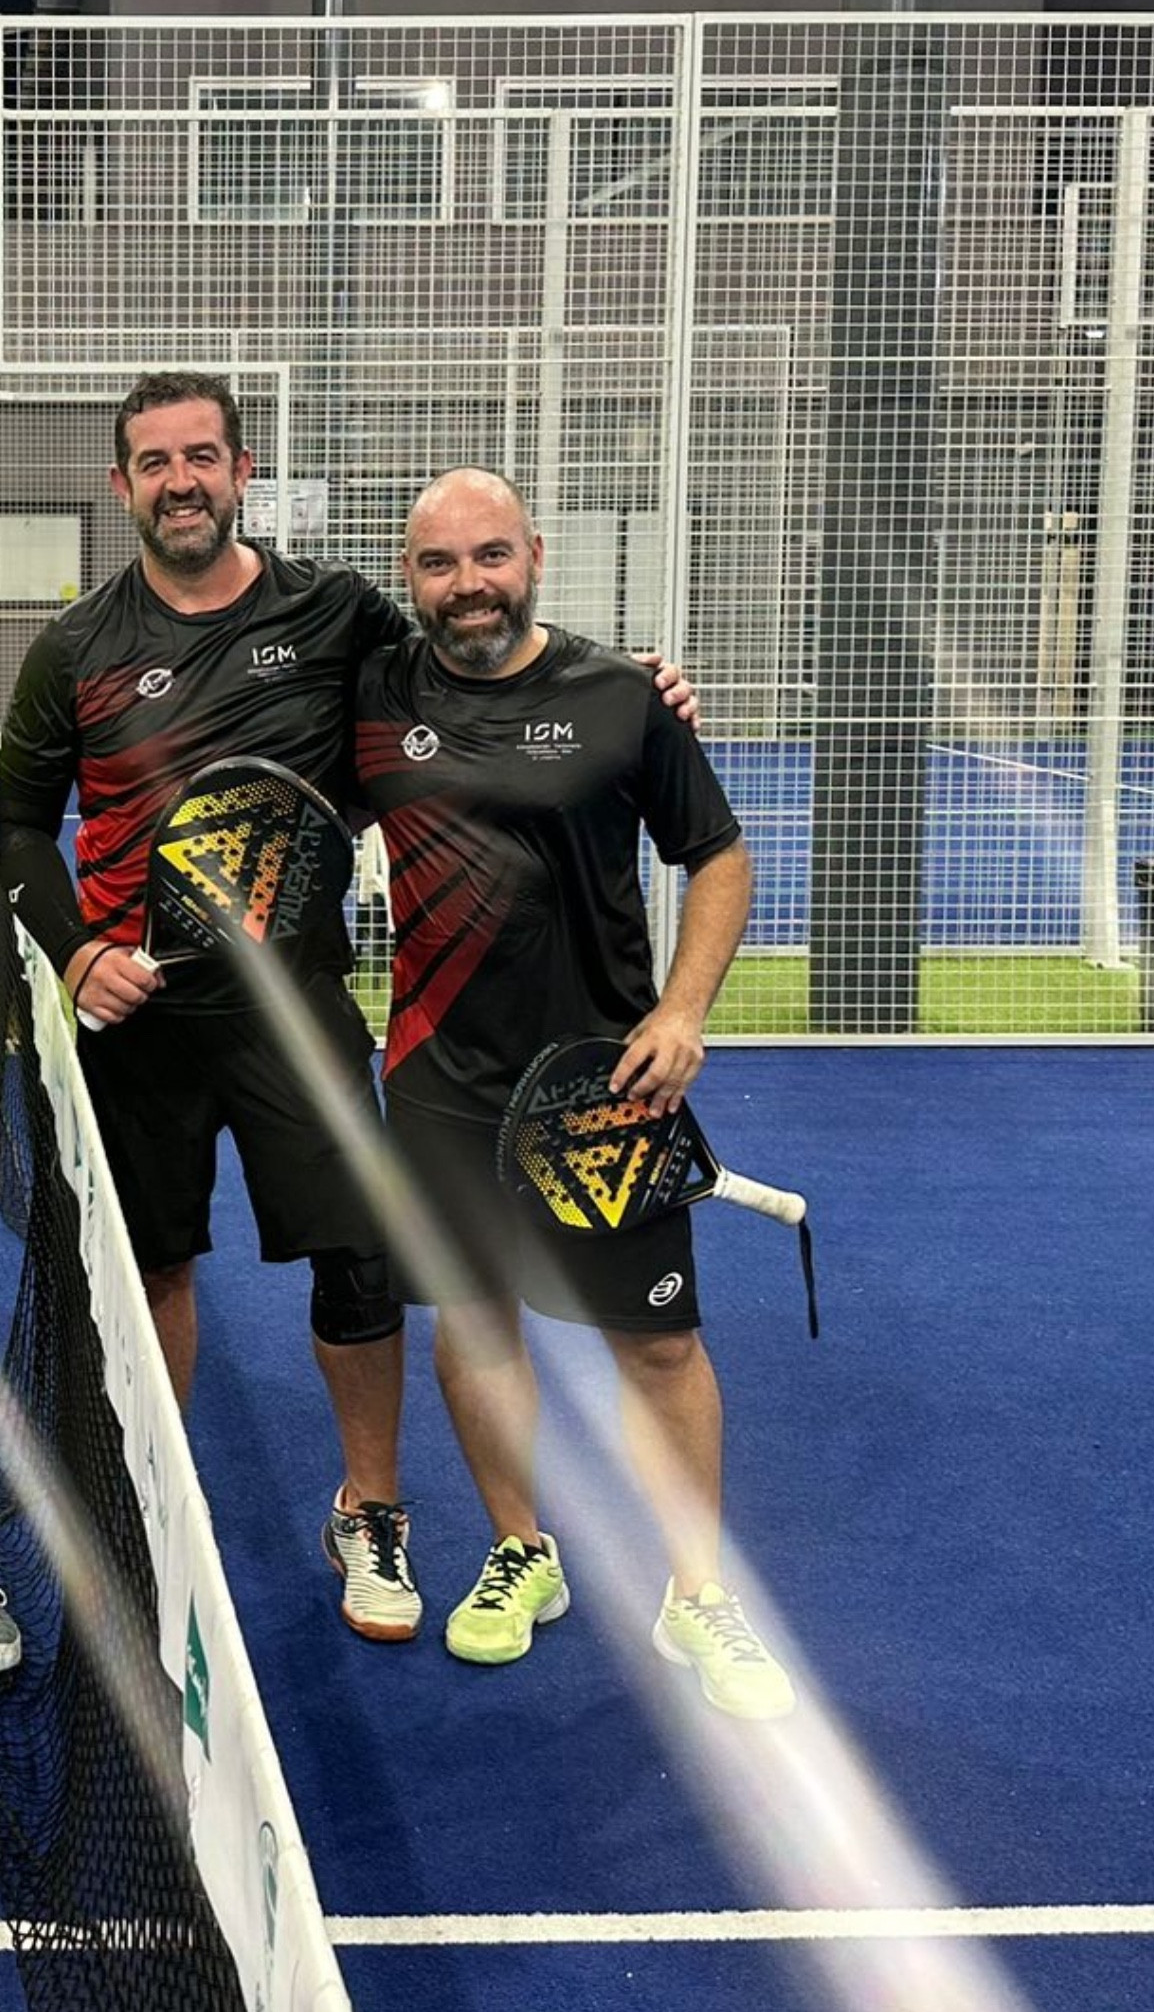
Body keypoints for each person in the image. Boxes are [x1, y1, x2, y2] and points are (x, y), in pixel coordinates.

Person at [0, 372, 695, 1651]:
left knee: (361, 1262)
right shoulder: (77, 648)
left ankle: (370, 1511)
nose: (181, 482)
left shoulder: (332, 613)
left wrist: (627, 692)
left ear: (241, 470)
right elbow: (13, 824)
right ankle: (147, 1507)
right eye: (155, 463)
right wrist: (77, 949)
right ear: (122, 487)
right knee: (150, 1270)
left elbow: (477, 644)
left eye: (201, 456)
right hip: (137, 1020)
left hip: (299, 1013)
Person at [353, 466, 795, 1720]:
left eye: (490, 555)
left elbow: (718, 857)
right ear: (410, 577)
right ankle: (521, 1550)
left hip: (606, 1089)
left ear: (535, 556)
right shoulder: (372, 695)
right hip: (439, 1086)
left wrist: (684, 1010)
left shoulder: (620, 695)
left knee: (658, 1343)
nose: (468, 585)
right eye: (439, 564)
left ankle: (696, 1592)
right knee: (477, 1324)